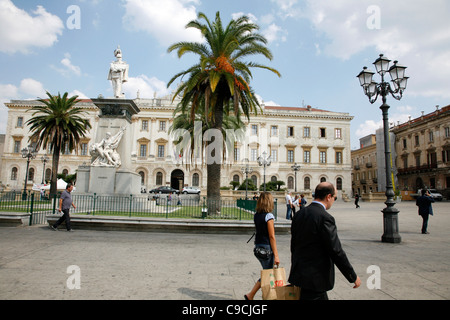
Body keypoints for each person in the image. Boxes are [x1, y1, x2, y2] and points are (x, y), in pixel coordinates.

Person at [289, 182, 361, 300]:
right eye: (334, 197)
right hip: (316, 278)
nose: (333, 200)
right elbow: (336, 250)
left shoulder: (299, 214)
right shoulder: (325, 218)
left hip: (300, 275)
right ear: (328, 197)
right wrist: (352, 276)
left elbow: (294, 245)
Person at [245, 192, 280, 300]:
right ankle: (252, 295)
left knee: (267, 272)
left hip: (258, 246)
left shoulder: (257, 215)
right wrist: (276, 255)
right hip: (266, 248)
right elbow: (272, 236)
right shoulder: (269, 216)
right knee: (268, 273)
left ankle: (254, 295)